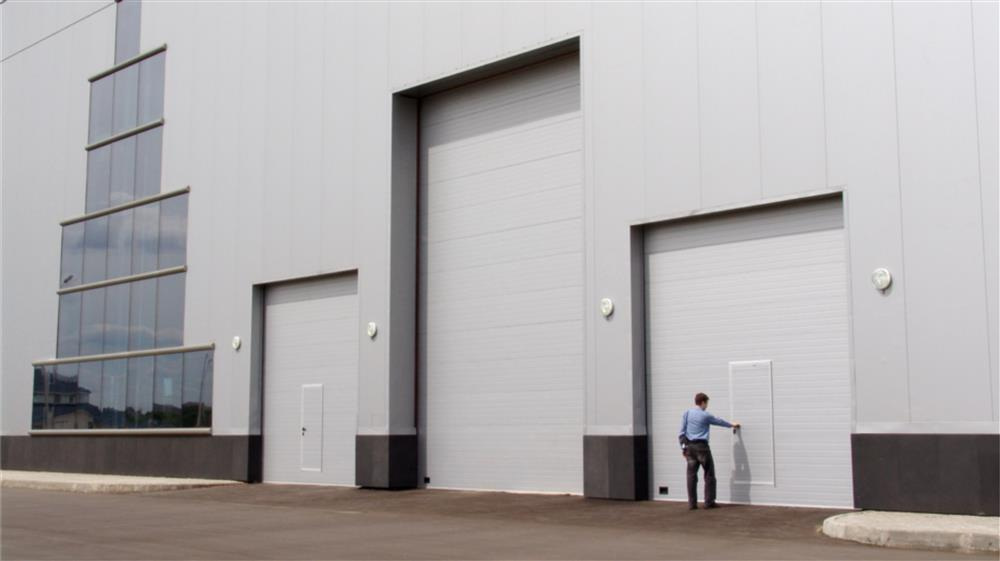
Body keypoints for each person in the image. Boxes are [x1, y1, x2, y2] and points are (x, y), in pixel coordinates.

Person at [678, 392, 740, 510]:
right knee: (709, 474)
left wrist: (683, 448)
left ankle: (692, 504)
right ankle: (709, 502)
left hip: (689, 448)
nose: (707, 406)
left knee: (691, 476)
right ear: (703, 402)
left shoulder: (687, 413)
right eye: (706, 403)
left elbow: (681, 433)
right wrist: (731, 425)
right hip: (702, 448)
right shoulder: (705, 415)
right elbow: (719, 421)